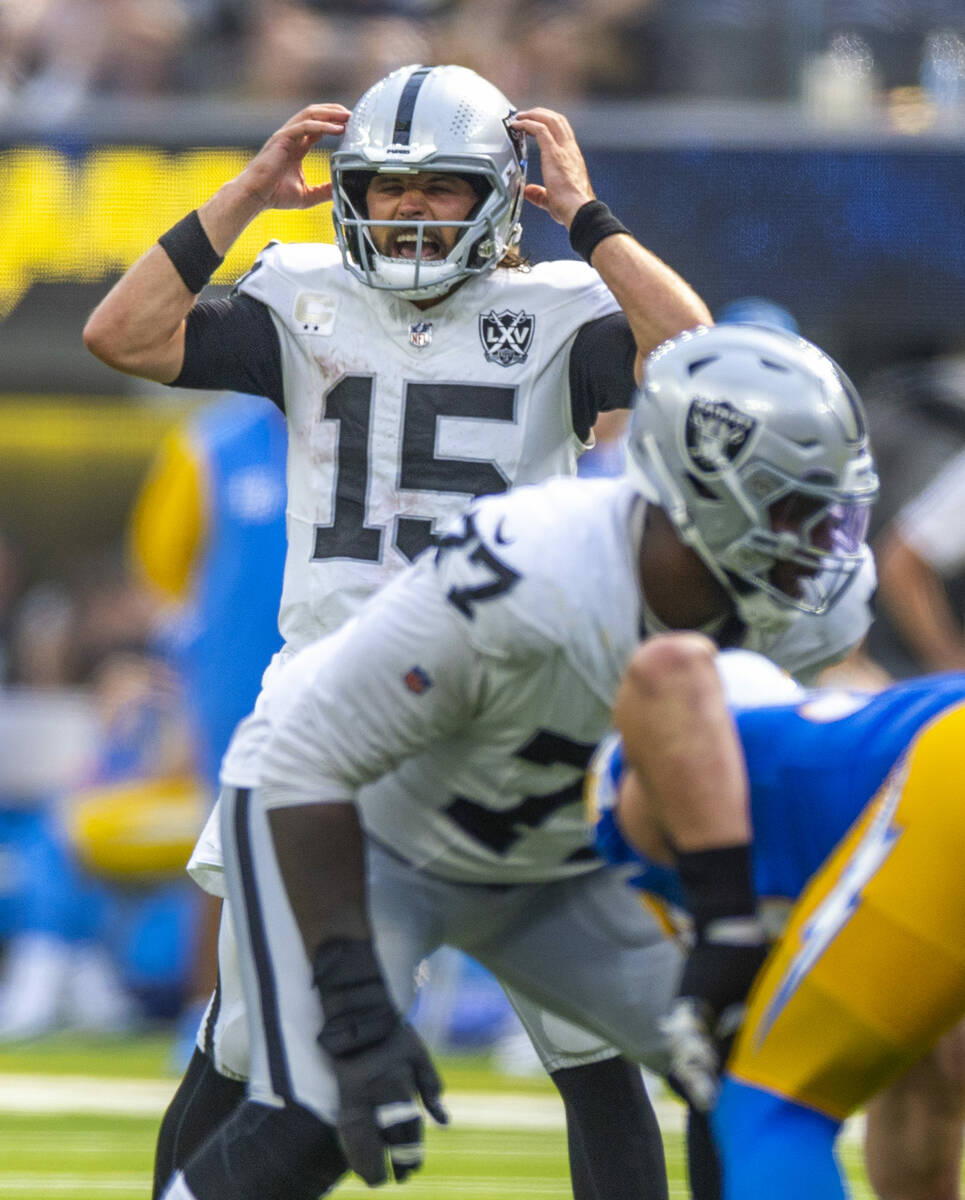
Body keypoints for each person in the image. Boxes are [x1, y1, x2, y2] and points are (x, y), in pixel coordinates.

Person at [83, 60, 714, 1200]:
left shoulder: (559, 308)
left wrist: (585, 215)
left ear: (497, 197)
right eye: (385, 187)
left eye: (439, 190)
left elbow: (698, 363)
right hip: (332, 709)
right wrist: (240, 194)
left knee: (591, 1053)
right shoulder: (301, 296)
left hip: (508, 712)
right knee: (247, 1048)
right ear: (347, 192)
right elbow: (121, 334)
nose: (409, 213)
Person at [151, 320, 878, 1200]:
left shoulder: (809, 613)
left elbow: (724, 768)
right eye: (795, 504)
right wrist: (351, 994)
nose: (826, 539)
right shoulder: (525, 569)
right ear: (702, 492)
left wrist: (725, 921)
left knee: (747, 1057)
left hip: (556, 861)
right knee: (329, 1099)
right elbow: (301, 760)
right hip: (367, 837)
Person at [592, 632, 965, 1199]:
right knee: (929, 1078)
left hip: (945, 773)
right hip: (936, 781)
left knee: (769, 1110)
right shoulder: (841, 765)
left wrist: (726, 927)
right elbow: (922, 1093)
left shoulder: (676, 750)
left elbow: (671, 668)